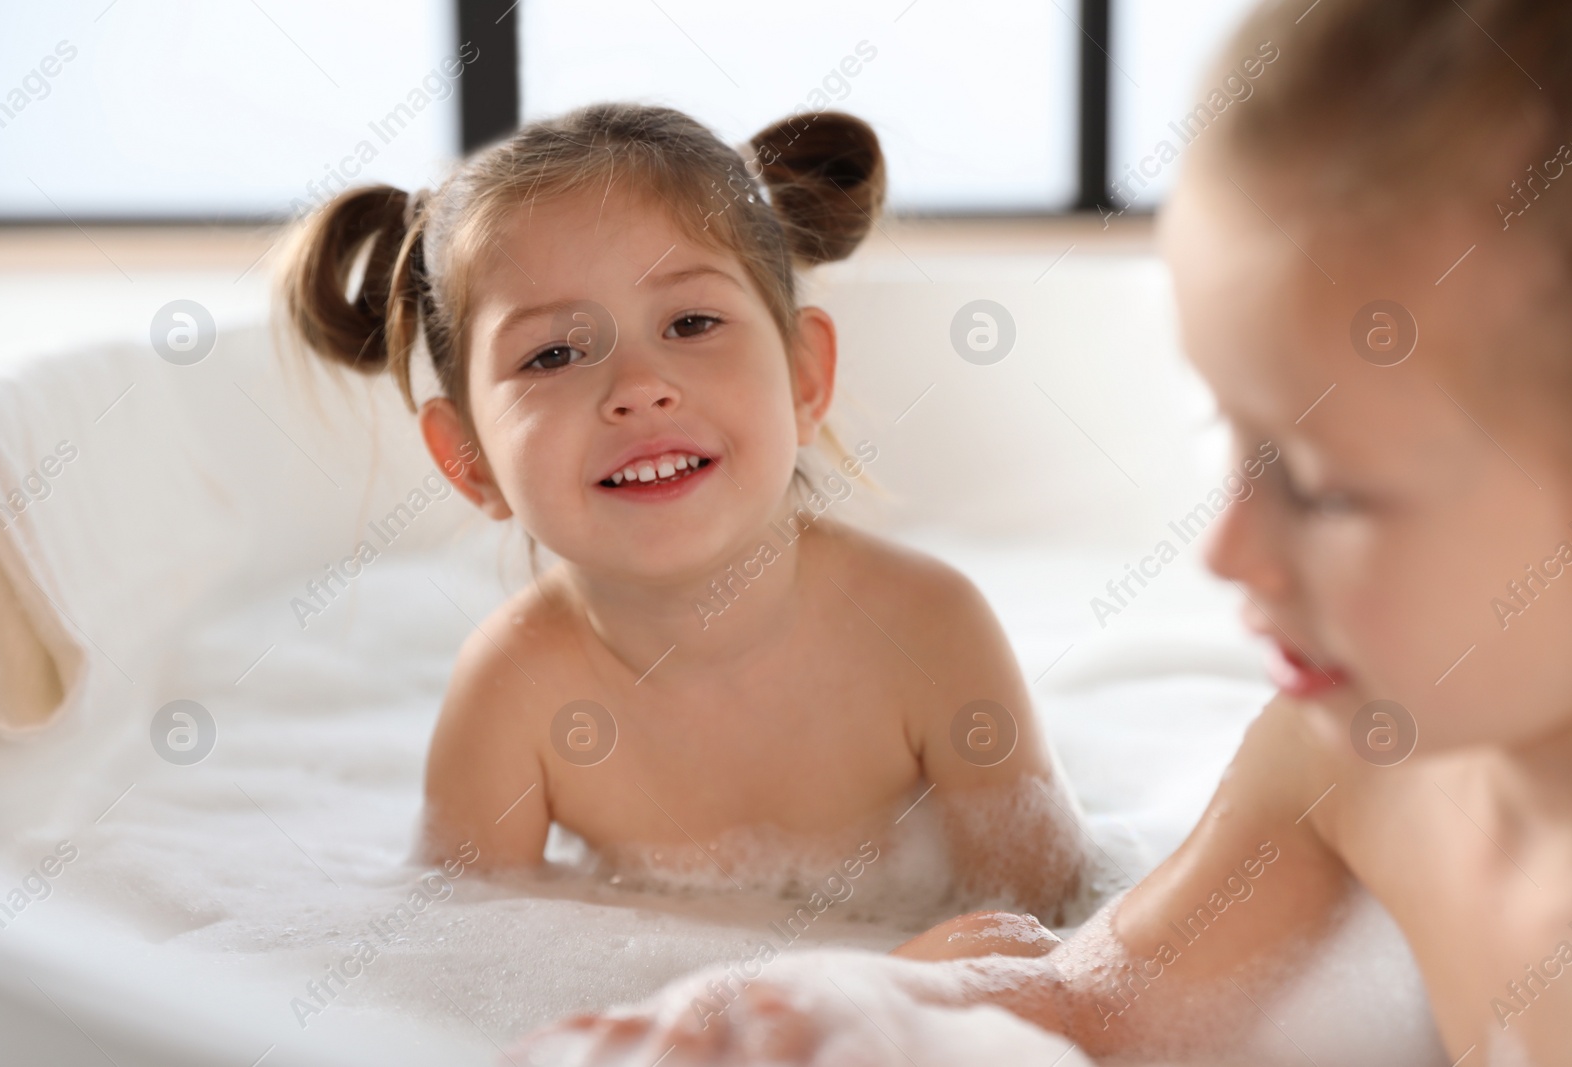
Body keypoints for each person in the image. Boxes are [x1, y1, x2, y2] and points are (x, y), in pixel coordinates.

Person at [515, 1, 1572, 1063]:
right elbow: (1097, 1001)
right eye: (1231, 431)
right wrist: (826, 1003)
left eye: (1325, 486)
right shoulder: (1343, 756)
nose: (1225, 550)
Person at [280, 103, 1088, 916]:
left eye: (691, 321)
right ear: (468, 459)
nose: (636, 387)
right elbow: (453, 968)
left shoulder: (927, 630)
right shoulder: (514, 693)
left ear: (805, 376)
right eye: (553, 353)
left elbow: (1045, 937)